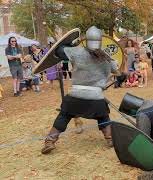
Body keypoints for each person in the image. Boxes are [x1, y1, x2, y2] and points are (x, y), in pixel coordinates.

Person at [40, 26, 118, 154]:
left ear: (87, 40)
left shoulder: (77, 51)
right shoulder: (106, 56)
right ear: (100, 40)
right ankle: (110, 139)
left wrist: (71, 45)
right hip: (96, 96)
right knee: (103, 116)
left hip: (76, 95)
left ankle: (50, 141)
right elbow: (116, 69)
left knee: (64, 115)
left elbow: (59, 51)